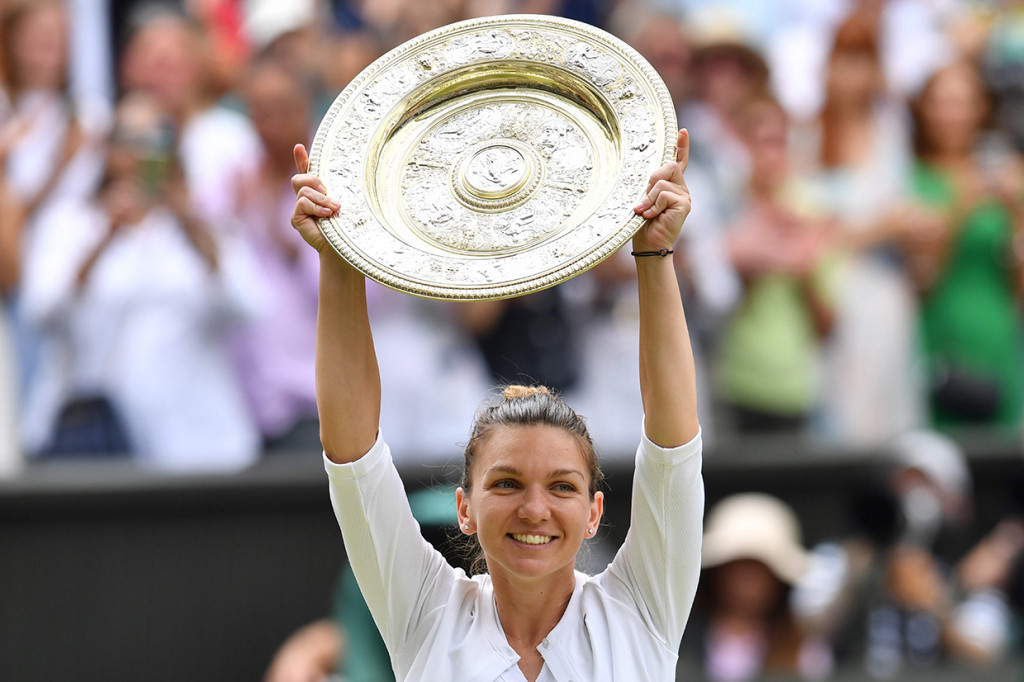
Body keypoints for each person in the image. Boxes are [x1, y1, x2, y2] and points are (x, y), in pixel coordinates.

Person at [289, 128, 703, 680]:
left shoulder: (642, 607)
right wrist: (340, 258)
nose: (535, 509)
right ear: (464, 508)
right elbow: (353, 454)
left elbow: (672, 441)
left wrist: (654, 252)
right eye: (507, 483)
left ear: (594, 513)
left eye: (562, 486)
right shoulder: (426, 612)